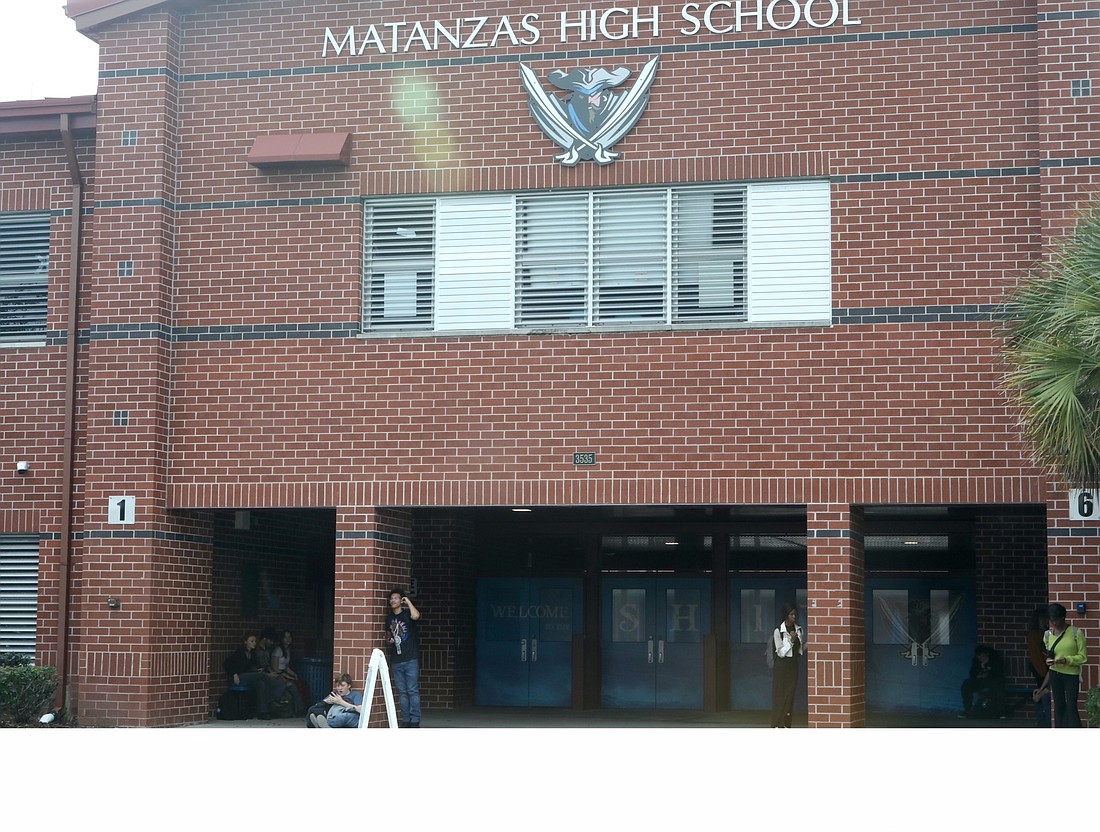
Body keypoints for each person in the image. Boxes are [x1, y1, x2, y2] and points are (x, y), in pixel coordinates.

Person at [1044, 603, 1087, 728]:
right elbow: (1049, 653)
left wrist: (1067, 660)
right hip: (1054, 672)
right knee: (1058, 705)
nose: (1054, 623)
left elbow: (1083, 657)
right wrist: (1049, 660)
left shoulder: (1075, 632)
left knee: (1071, 706)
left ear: (1063, 618)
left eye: (1056, 620)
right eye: (1051, 620)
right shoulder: (1047, 635)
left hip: (1070, 673)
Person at [384, 588, 422, 728]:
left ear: (401, 600)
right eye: (391, 599)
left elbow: (416, 616)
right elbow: (388, 635)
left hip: (411, 658)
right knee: (402, 692)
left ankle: (415, 720)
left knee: (412, 690)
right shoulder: (389, 618)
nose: (393, 601)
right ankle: (406, 720)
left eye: (396, 598)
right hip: (396, 660)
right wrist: (389, 640)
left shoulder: (407, 614)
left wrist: (409, 602)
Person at [223, 632, 279, 720]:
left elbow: (255, 666)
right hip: (238, 677)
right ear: (246, 642)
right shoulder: (240, 652)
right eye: (251, 641)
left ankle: (262, 712)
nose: (254, 643)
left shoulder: (252, 654)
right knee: (263, 676)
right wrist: (234, 674)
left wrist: (257, 670)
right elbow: (227, 664)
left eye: (255, 641)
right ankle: (277, 689)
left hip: (248, 677)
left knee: (261, 684)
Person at [769, 603, 805, 728]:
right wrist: (791, 641)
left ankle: (786, 723)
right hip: (781, 666)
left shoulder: (799, 629)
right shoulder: (778, 631)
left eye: (795, 614)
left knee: (790, 695)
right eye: (791, 614)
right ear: (786, 616)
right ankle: (778, 723)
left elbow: (799, 649)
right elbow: (780, 652)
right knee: (780, 695)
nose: (794, 617)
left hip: (793, 666)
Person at [959, 644, 1008, 719]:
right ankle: (968, 709)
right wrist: (979, 672)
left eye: (983, 656)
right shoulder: (976, 661)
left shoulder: (995, 660)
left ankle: (1001, 712)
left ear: (987, 654)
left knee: (998, 685)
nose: (981, 659)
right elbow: (972, 674)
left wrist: (988, 671)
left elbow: (999, 673)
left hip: (993, 681)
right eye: (979, 657)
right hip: (980, 681)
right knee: (966, 684)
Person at [269, 629, 308, 715]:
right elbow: (275, 668)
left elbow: (286, 666)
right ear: (282, 639)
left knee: (301, 684)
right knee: (292, 686)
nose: (288, 639)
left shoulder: (287, 650)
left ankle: (300, 708)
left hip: (284, 673)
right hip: (277, 674)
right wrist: (287, 676)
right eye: (285, 637)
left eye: (289, 637)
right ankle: (299, 709)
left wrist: (294, 674)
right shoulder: (278, 650)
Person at [1026, 606, 1052, 727]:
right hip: (1041, 668)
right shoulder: (1035, 635)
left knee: (1043, 694)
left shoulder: (1047, 633)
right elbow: (1038, 654)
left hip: (1048, 666)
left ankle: (1045, 721)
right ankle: (1044, 721)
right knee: (1043, 694)